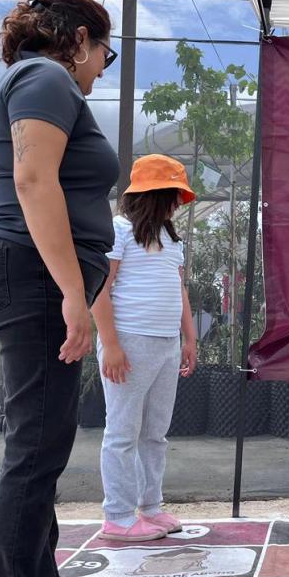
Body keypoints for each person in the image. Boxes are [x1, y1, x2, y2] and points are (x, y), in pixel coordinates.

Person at [0, 0, 120, 577]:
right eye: (106, 55)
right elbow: (33, 180)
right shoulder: (45, 75)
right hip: (28, 277)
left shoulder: (44, 81)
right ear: (81, 39)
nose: (103, 69)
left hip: (30, 276)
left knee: (46, 438)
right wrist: (70, 292)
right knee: (36, 447)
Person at [91, 154, 197, 542]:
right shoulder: (119, 230)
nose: (176, 204)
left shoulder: (171, 239)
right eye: (172, 195)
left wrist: (189, 338)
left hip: (166, 345)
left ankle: (150, 508)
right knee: (122, 432)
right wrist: (112, 345)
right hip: (130, 343)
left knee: (155, 432)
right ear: (153, 195)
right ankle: (117, 516)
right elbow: (101, 287)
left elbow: (179, 288)